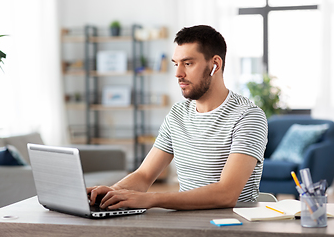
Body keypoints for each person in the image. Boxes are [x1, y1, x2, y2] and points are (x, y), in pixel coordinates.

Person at [87, 25, 268, 210]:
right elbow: (144, 175)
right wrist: (111, 192)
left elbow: (226, 194)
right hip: (185, 222)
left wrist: (152, 199)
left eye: (188, 63)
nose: (178, 73)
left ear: (215, 64)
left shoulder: (248, 117)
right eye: (176, 63)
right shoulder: (177, 114)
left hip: (233, 225)